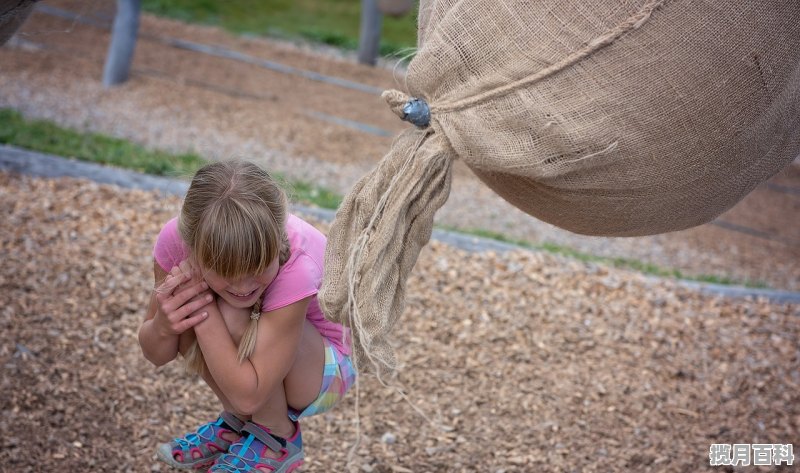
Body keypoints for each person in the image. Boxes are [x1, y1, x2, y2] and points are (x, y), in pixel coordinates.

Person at [138, 160, 355, 472]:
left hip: (325, 369)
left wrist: (204, 303)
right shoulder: (175, 241)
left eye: (258, 270)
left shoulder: (297, 263)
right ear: (192, 248)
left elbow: (249, 398)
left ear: (275, 246)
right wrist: (163, 324)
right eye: (226, 273)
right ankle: (242, 426)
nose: (243, 286)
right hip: (263, 366)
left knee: (226, 310)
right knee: (187, 308)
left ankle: (276, 437)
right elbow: (156, 354)